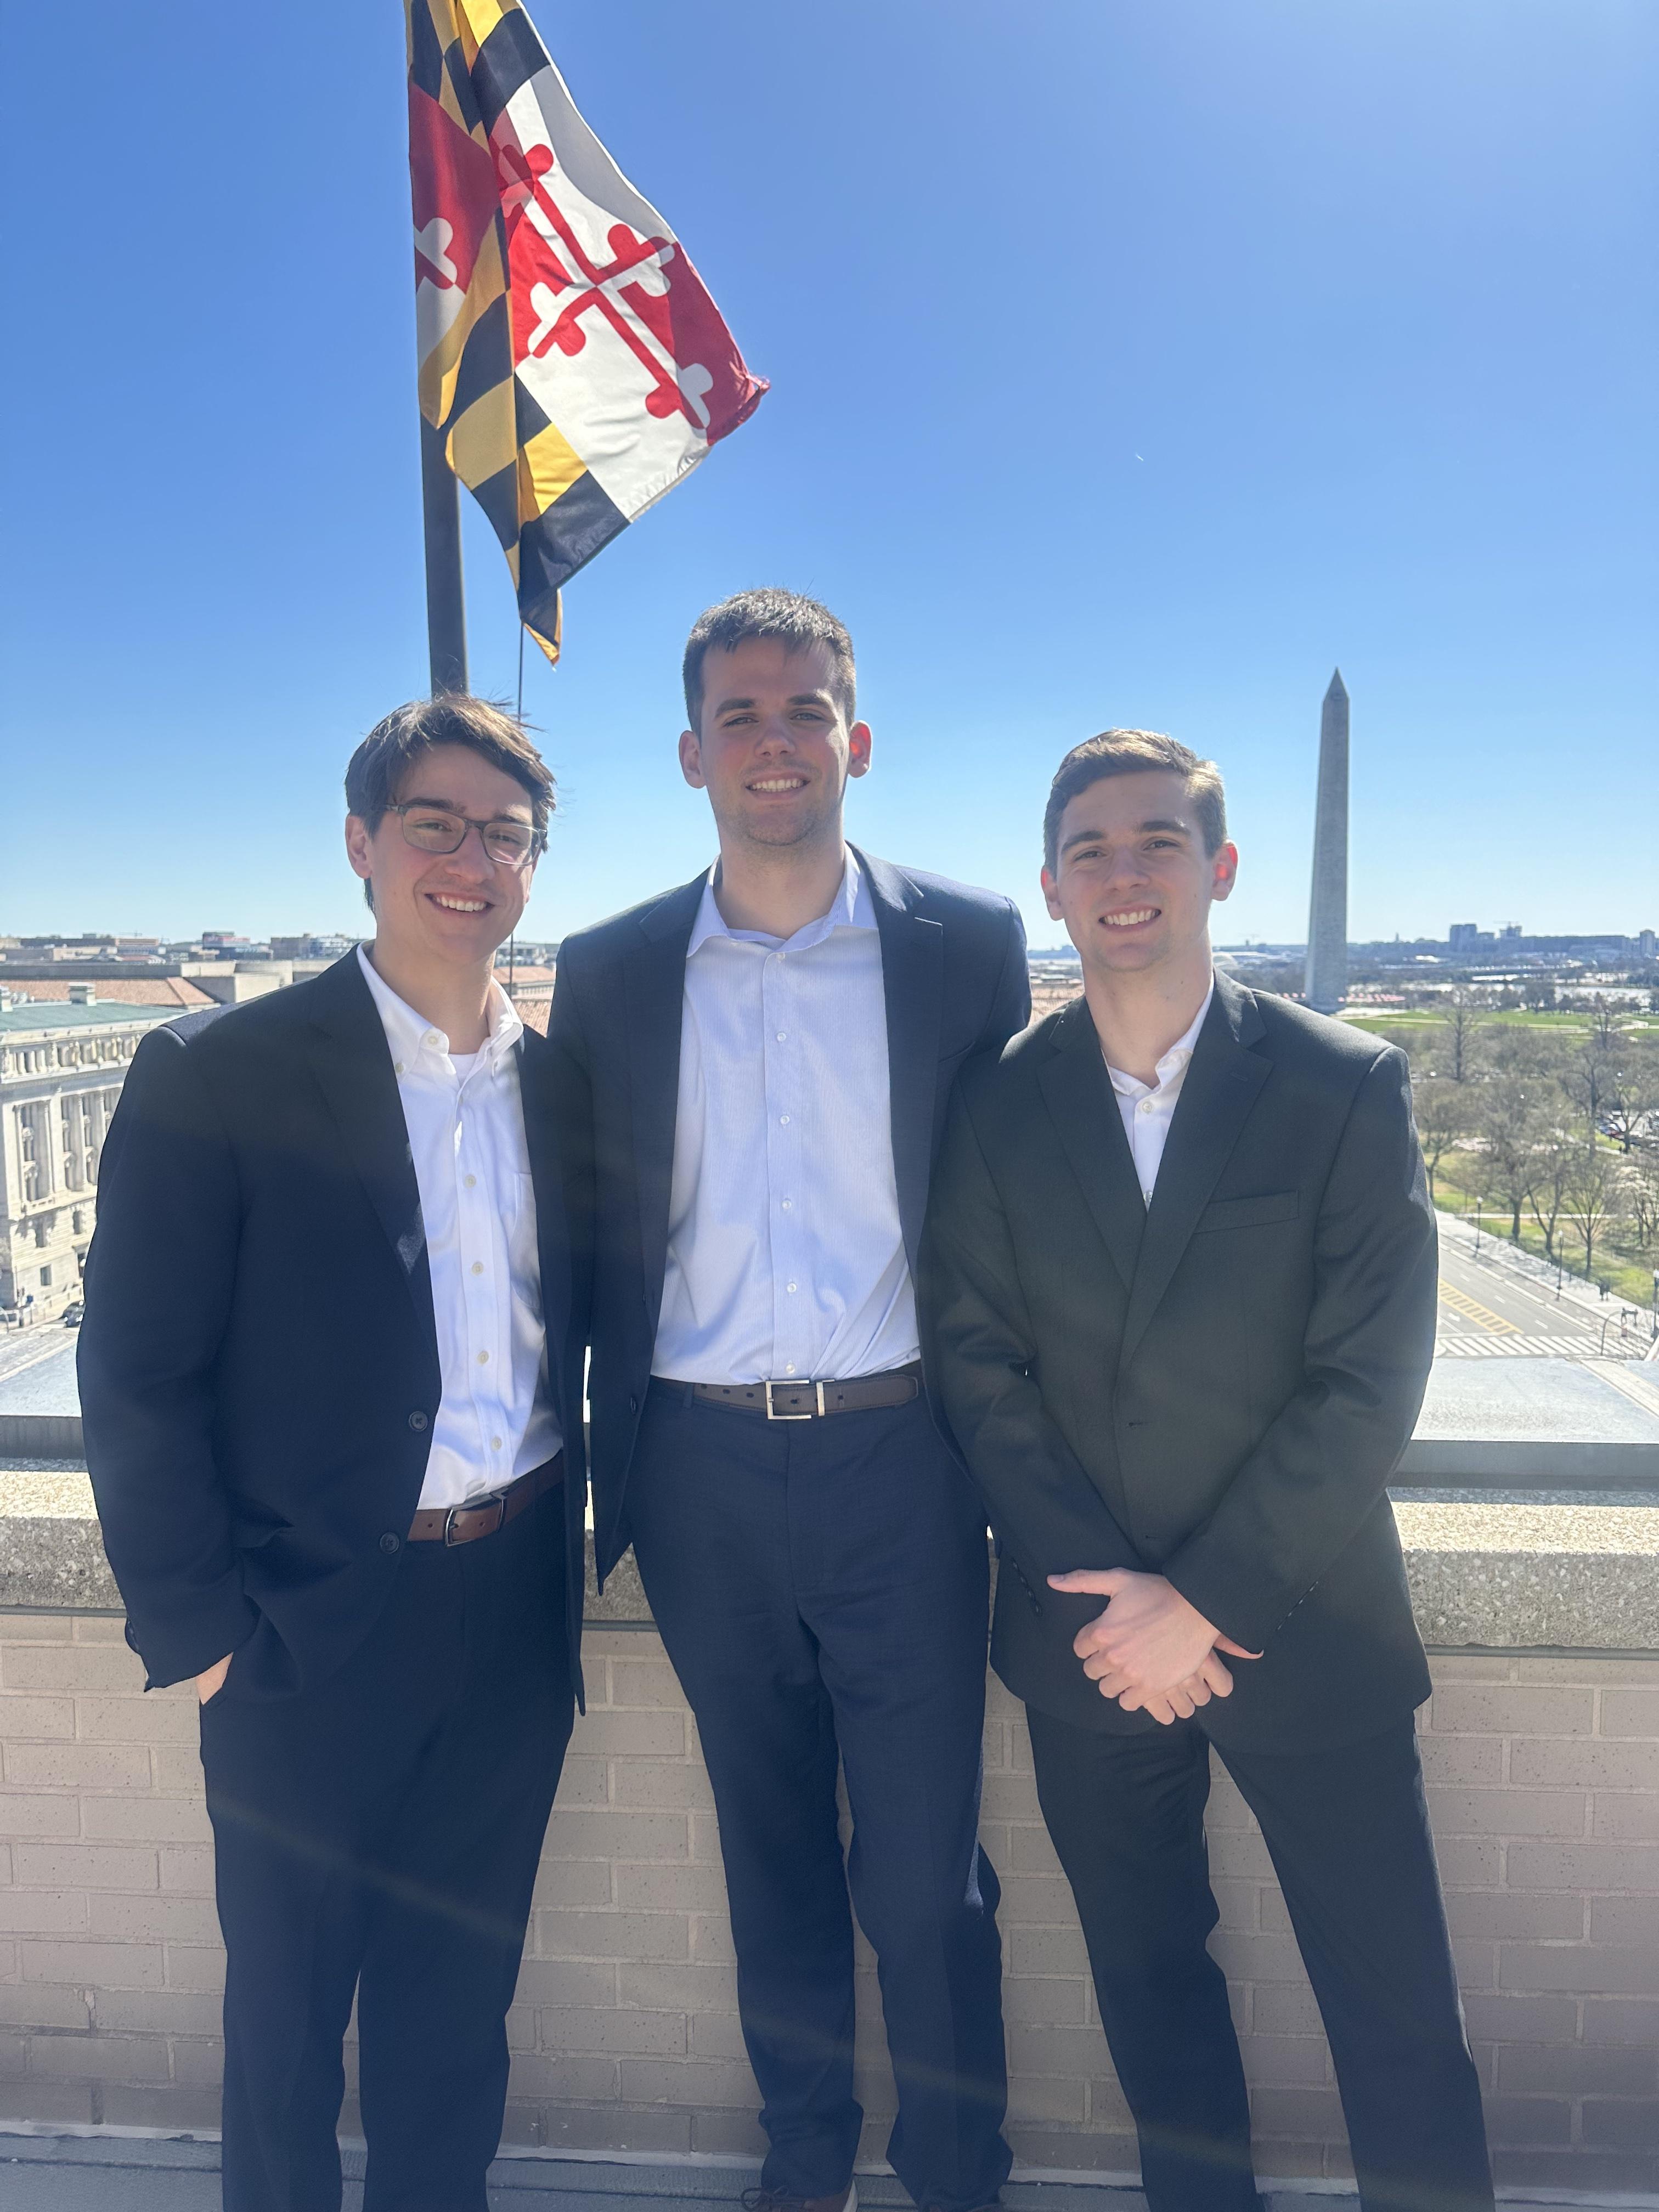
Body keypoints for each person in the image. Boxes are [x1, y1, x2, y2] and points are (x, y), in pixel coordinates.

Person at [922, 730, 1493, 2212]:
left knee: (1400, 2017)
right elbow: (979, 1372)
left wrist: (1210, 1600)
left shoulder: (1343, 1086)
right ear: (1051, 886)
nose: (1125, 876)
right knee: (1154, 2001)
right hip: (1088, 1651)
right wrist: (1126, 1615)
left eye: (1157, 843)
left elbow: (1370, 1381)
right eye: (1093, 850)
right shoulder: (993, 1104)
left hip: (1308, 1627)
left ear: (1219, 869)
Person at [548, 590, 1025, 2212]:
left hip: (905, 1466)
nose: (774, 740)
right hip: (697, 1478)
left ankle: (960, 2172)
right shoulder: (608, 971)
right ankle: (803, 2162)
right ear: (690, 754)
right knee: (768, 1856)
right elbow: (573, 1225)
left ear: (857, 739)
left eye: (804, 708)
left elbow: (1021, 1216)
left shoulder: (965, 948)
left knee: (922, 1883)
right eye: (741, 715)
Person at [79, 697, 587, 2212]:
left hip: (505, 1620)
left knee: (457, 2014)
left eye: (505, 834)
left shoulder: (560, 1091)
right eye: (433, 824)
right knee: (287, 2023)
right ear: (363, 845)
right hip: (301, 1629)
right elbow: (137, 1373)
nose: (470, 859)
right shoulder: (218, 1070)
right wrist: (205, 1637)